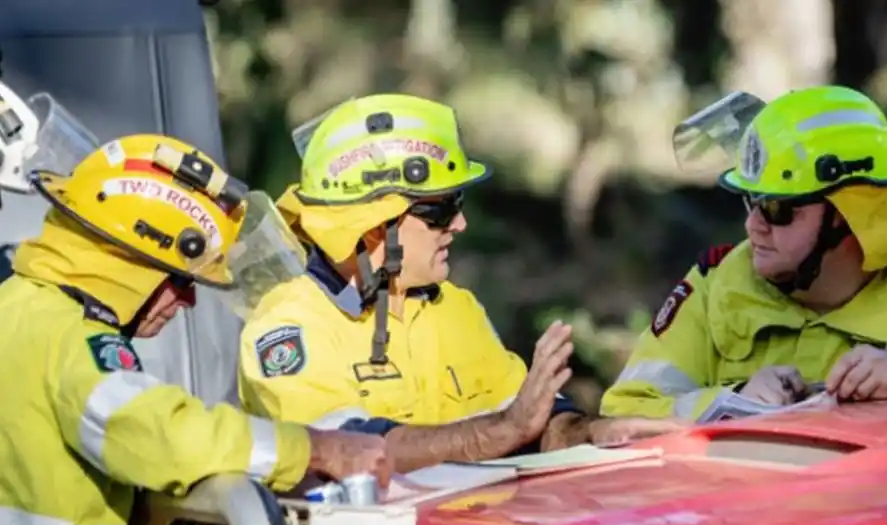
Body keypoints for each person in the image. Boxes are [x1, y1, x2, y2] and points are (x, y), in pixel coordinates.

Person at [0, 90, 391, 525]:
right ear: (127, 263)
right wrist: (315, 448)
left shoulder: (18, 308)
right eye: (179, 280)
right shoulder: (71, 343)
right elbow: (159, 435)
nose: (184, 303)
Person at [236, 93, 683, 471]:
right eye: (440, 211)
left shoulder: (454, 308)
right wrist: (501, 431)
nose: (461, 224)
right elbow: (351, 451)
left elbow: (526, 416)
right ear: (372, 226)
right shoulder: (288, 325)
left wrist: (589, 432)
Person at [600, 85, 887, 422]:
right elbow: (622, 414)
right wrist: (727, 404)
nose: (753, 226)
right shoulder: (715, 286)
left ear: (850, 216)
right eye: (751, 202)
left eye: (778, 209)